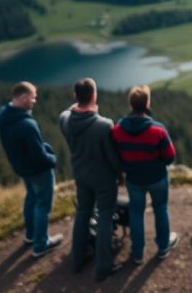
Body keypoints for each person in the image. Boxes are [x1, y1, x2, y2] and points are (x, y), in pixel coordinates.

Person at [58, 77, 123, 281]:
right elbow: (113, 158)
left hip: (81, 176)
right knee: (105, 216)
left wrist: (79, 104)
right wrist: (120, 174)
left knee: (83, 213)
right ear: (94, 96)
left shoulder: (65, 119)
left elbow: (68, 111)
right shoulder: (104, 125)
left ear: (76, 97)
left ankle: (77, 259)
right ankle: (103, 267)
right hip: (103, 179)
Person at [111, 85, 179, 264]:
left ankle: (138, 253)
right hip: (157, 177)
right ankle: (163, 247)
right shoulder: (158, 130)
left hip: (133, 179)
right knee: (160, 209)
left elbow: (116, 156)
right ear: (147, 103)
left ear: (130, 104)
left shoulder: (117, 130)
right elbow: (170, 157)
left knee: (135, 213)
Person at [0, 81, 63, 258]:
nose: (35, 101)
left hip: (21, 167)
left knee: (31, 197)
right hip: (38, 170)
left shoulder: (3, 115)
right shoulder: (26, 125)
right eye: (33, 98)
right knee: (43, 204)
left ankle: (31, 235)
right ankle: (41, 244)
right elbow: (39, 157)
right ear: (23, 97)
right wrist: (53, 159)